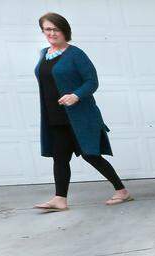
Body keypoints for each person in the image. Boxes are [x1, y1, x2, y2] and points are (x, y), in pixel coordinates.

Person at [34, 12, 131, 212]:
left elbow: (92, 81)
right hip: (56, 116)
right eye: (47, 29)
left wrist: (75, 95)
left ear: (64, 30)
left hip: (80, 116)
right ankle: (60, 199)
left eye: (55, 29)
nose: (51, 33)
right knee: (60, 157)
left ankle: (122, 191)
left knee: (90, 155)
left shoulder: (75, 54)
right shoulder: (44, 53)